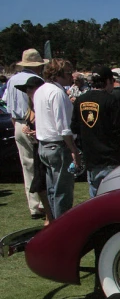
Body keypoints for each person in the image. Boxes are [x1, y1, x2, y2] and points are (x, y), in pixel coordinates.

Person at [71, 67, 120, 197]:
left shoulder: (80, 100)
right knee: (114, 198)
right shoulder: (111, 100)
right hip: (111, 158)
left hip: (91, 159)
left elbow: (74, 129)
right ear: (109, 81)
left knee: (96, 198)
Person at [34, 58, 82, 218]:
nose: (72, 77)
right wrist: (73, 149)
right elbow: (63, 127)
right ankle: (62, 229)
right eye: (68, 73)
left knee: (52, 190)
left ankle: (55, 223)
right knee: (63, 191)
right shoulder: (57, 93)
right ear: (58, 74)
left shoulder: (40, 90)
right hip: (58, 146)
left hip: (44, 146)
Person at [2, 48, 47, 219]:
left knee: (27, 166)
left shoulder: (12, 80)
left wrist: (17, 125)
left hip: (18, 124)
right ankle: (43, 203)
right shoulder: (38, 80)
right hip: (33, 123)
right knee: (40, 165)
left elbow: (9, 105)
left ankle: (34, 206)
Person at [15, 76, 54, 225]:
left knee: (46, 183)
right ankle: (48, 214)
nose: (28, 92)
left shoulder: (41, 106)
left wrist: (36, 132)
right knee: (39, 184)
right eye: (26, 89)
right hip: (36, 147)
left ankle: (50, 216)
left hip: (44, 146)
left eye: (30, 89)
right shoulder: (30, 107)